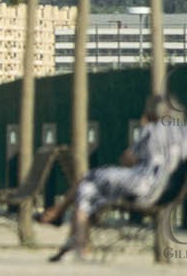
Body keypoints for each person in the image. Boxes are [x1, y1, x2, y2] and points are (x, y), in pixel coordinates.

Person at [38, 95, 187, 261]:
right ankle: (73, 235)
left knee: (89, 179)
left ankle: (68, 226)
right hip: (168, 195)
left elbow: (127, 159)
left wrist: (144, 128)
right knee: (89, 189)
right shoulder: (184, 132)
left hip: (143, 188)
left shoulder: (152, 129)